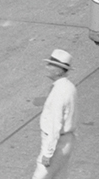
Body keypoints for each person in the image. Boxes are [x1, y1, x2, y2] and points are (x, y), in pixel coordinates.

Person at [32, 48, 76, 179]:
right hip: (67, 140)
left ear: (58, 70)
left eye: (50, 65)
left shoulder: (59, 93)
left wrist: (48, 153)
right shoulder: (69, 87)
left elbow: (55, 124)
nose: (47, 67)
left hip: (56, 144)